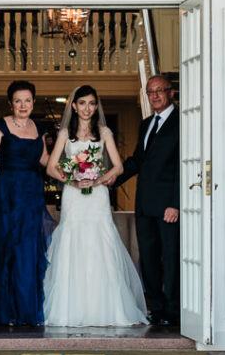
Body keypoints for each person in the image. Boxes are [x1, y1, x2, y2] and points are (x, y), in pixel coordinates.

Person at [43, 85, 148, 327]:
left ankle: (107, 309)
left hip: (98, 196)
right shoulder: (64, 135)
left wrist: (98, 179)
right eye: (82, 103)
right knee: (74, 242)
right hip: (74, 196)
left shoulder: (104, 132)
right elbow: (50, 167)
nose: (87, 108)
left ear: (96, 106)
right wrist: (73, 180)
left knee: (100, 243)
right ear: (73, 106)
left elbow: (119, 167)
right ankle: (70, 308)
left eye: (91, 103)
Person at [0, 80, 51, 326]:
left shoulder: (38, 128)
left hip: (31, 195)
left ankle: (25, 312)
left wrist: (75, 174)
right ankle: (0, 311)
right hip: (6, 193)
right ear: (11, 103)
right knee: (4, 249)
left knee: (27, 251)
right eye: (18, 100)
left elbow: (45, 160)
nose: (23, 105)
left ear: (33, 102)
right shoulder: (0, 126)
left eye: (27, 100)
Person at [113, 75, 181, 327]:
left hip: (168, 206)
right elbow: (137, 161)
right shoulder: (145, 124)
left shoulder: (182, 121)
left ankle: (174, 310)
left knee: (171, 259)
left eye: (159, 91)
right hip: (144, 205)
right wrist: (111, 178)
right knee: (149, 259)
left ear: (171, 93)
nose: (154, 96)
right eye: (150, 92)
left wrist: (175, 203)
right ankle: (158, 308)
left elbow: (183, 167)